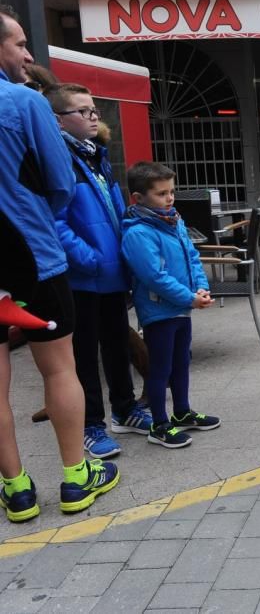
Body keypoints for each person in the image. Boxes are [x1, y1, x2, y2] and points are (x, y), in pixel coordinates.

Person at [0, 4, 119, 522]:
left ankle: (17, 490)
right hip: (33, 257)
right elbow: (60, 180)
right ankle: (76, 476)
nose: (27, 55)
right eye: (20, 43)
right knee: (60, 367)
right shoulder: (23, 102)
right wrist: (33, 218)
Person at [47, 83, 152, 458]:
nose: (94, 117)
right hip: (84, 276)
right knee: (85, 353)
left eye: (94, 110)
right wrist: (88, 258)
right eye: (84, 111)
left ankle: (125, 410)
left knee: (116, 343)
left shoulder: (95, 155)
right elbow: (54, 221)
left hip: (110, 273)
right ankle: (91, 424)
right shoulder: (58, 157)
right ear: (59, 119)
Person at [120, 162, 220, 447]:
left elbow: (192, 257)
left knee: (181, 361)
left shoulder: (175, 221)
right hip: (158, 310)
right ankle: (159, 424)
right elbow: (153, 276)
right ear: (138, 199)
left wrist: (201, 288)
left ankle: (182, 412)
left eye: (171, 191)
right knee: (160, 367)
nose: (170, 198)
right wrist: (189, 297)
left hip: (180, 307)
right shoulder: (138, 233)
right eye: (161, 193)